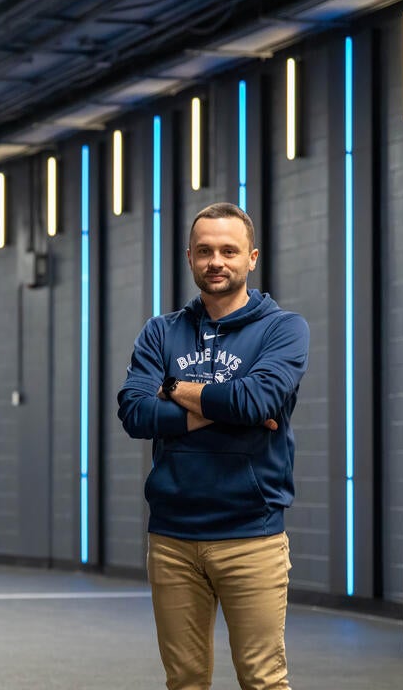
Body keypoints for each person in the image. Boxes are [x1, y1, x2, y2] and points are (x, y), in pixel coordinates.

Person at [116, 202, 309, 690]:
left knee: (263, 680)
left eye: (228, 250)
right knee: (184, 682)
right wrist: (223, 406)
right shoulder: (161, 331)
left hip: (252, 536)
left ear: (251, 258)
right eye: (205, 251)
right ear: (189, 257)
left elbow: (256, 400)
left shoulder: (283, 329)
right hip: (172, 538)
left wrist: (173, 388)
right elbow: (135, 414)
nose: (215, 261)